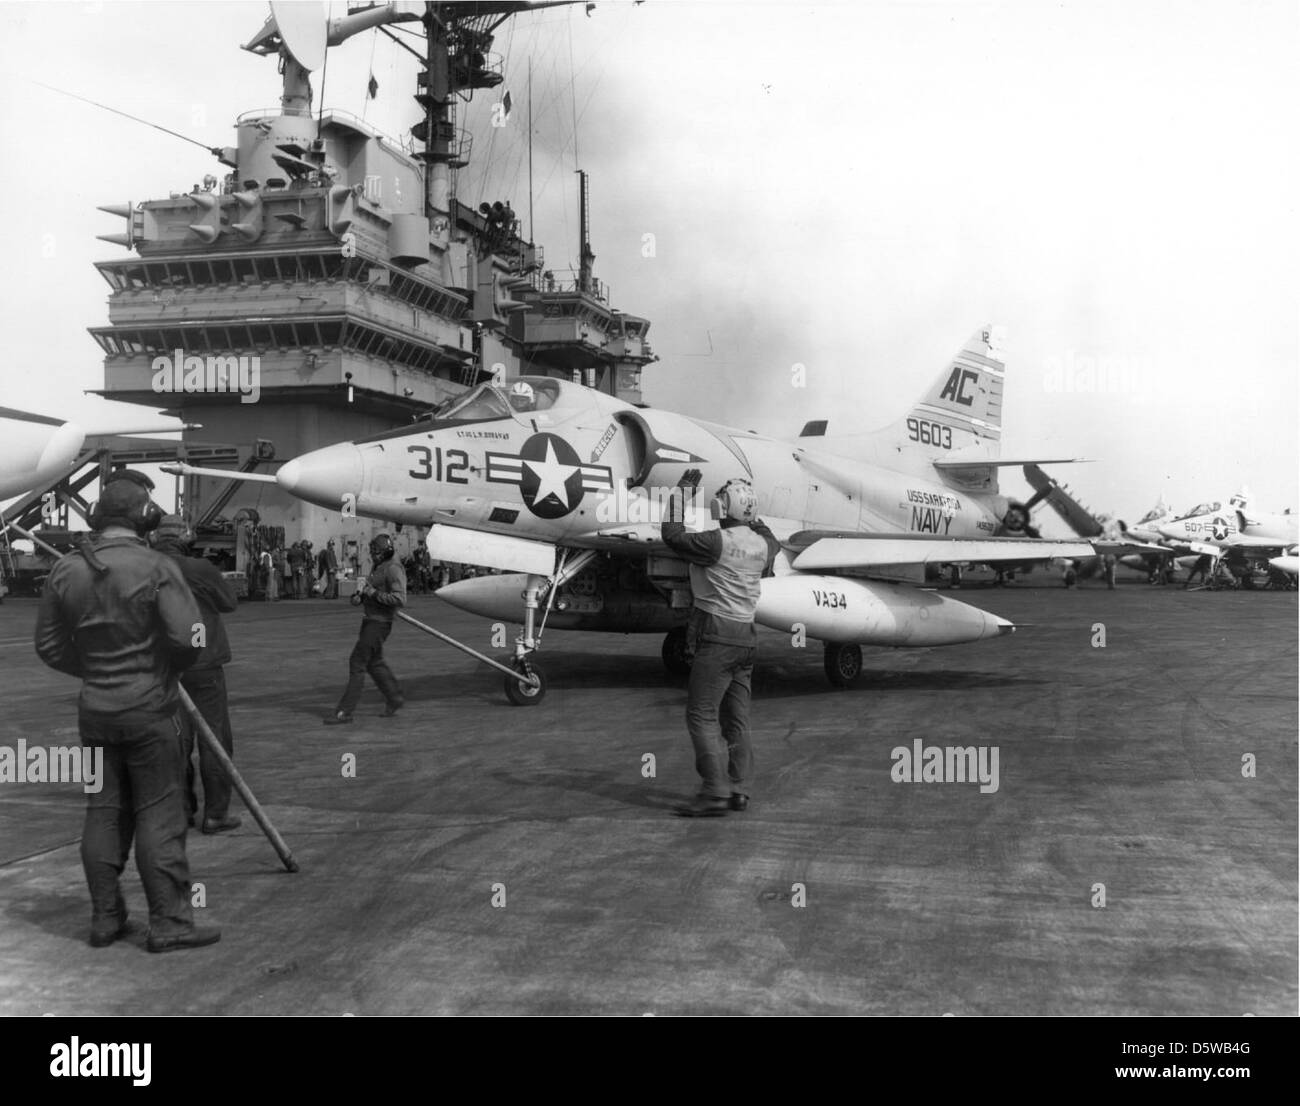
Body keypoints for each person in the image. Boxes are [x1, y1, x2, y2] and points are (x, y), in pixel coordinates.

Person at [33, 471, 220, 952]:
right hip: (151, 709)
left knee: (103, 811)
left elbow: (50, 646)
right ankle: (171, 925)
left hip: (94, 712)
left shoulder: (67, 569)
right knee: (160, 814)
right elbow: (189, 639)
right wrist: (162, 670)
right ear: (146, 518)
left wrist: (97, 670)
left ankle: (106, 919)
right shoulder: (157, 567)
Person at [661, 478, 780, 817]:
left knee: (700, 715)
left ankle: (714, 792)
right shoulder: (763, 545)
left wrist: (681, 491)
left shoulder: (716, 542)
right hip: (747, 636)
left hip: (716, 635)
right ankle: (739, 790)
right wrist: (750, 511)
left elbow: (672, 535)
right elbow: (770, 538)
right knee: (737, 719)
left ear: (721, 508)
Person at [150, 516, 241, 835]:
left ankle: (180, 810)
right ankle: (215, 814)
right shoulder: (200, 569)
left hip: (163, 666)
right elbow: (229, 603)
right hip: (203, 664)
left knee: (175, 740)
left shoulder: (141, 569)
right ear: (186, 537)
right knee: (214, 740)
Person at [324, 532, 407, 724]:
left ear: (386, 551)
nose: (373, 554)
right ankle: (394, 698)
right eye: (372, 551)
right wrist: (360, 596)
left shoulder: (393, 568)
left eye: (376, 551)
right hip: (370, 620)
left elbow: (400, 599)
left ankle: (345, 711)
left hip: (379, 623)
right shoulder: (379, 567)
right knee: (374, 662)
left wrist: (374, 593)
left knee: (357, 662)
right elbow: (370, 589)